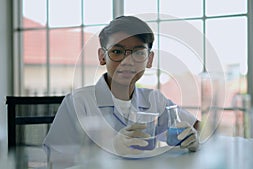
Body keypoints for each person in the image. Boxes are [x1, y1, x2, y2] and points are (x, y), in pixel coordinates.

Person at [43, 16, 200, 164]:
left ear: (149, 59)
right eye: (117, 52)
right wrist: (109, 149)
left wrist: (192, 138)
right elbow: (55, 159)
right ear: (102, 56)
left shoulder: (154, 99)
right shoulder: (78, 102)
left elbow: (197, 127)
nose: (127, 61)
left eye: (138, 53)